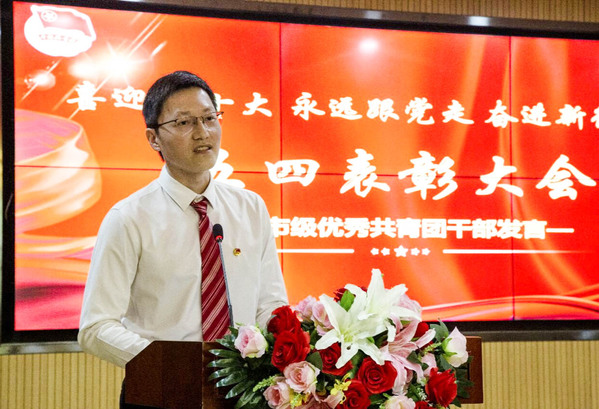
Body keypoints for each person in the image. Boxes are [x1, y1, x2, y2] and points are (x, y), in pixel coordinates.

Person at [78, 71, 288, 407]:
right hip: (159, 392)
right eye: (184, 122)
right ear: (154, 138)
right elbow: (95, 328)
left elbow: (270, 303)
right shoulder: (128, 218)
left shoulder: (250, 207)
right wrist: (170, 365)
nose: (202, 133)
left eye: (209, 118)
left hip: (240, 393)